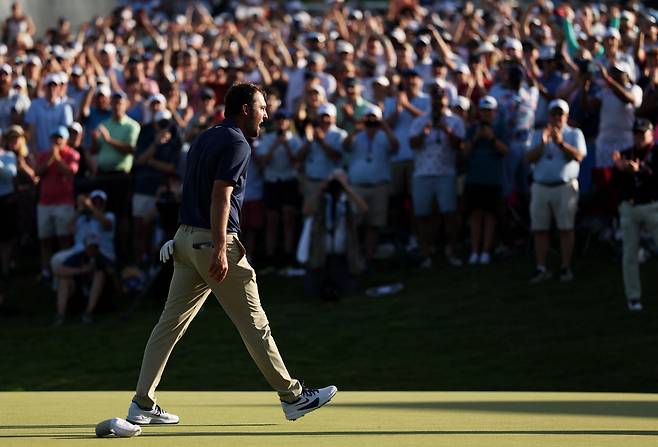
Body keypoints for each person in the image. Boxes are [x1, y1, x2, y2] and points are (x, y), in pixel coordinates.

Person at [126, 83, 337, 426]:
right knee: (255, 324)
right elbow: (220, 196)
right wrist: (221, 248)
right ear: (244, 110)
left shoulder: (205, 137)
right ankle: (293, 397)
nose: (265, 115)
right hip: (213, 242)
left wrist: (186, 238)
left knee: (168, 326)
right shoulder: (238, 142)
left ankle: (142, 402)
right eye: (261, 108)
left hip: (185, 240)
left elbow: (193, 191)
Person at [525, 100, 586, 283]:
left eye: (560, 114)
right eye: (554, 114)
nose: (557, 117)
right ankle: (541, 267)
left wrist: (561, 144)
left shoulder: (574, 133)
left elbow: (578, 156)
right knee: (539, 230)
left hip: (565, 187)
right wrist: (543, 144)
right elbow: (528, 158)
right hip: (541, 186)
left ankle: (565, 267)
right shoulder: (537, 134)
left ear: (566, 116)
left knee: (566, 229)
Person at [409, 83, 465, 268]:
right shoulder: (420, 121)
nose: (438, 103)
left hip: (446, 173)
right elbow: (413, 144)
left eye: (441, 99)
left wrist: (446, 130)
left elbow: (461, 147)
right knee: (422, 215)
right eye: (435, 99)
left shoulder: (455, 121)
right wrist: (425, 132)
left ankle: (452, 251)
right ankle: (425, 253)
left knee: (449, 214)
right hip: (422, 174)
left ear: (446, 100)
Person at [611, 119, 658, 312]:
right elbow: (614, 185)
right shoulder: (625, 154)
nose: (639, 138)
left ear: (650, 135)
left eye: (643, 134)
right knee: (630, 254)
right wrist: (620, 169)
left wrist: (641, 170)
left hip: (652, 206)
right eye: (636, 134)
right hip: (630, 207)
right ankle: (633, 297)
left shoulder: (656, 153)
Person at [463, 96, 509, 265]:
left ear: (495, 112)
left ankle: (485, 251)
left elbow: (506, 150)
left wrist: (491, 138)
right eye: (484, 110)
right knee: (475, 214)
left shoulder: (501, 128)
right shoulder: (472, 129)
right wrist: (476, 138)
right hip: (474, 178)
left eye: (490, 111)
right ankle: (475, 251)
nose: (486, 114)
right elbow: (465, 152)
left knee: (490, 214)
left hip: (493, 179)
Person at [34, 126, 79, 281]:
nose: (57, 141)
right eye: (54, 138)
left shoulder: (72, 154)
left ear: (66, 140)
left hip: (64, 203)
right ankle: (46, 271)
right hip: (45, 203)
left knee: (64, 239)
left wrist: (57, 158)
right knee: (44, 239)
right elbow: (37, 172)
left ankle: (65, 270)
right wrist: (50, 159)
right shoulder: (44, 155)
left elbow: (70, 172)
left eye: (60, 138)